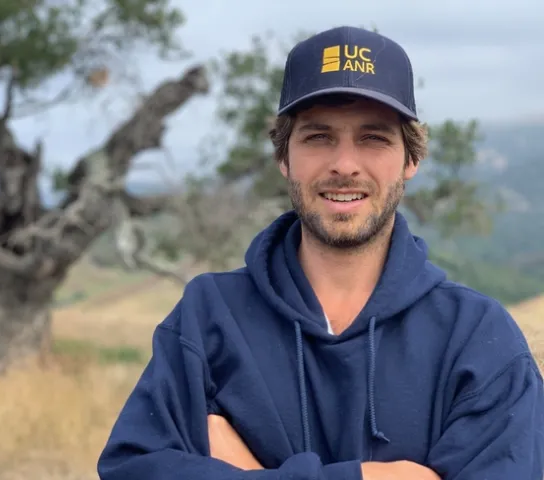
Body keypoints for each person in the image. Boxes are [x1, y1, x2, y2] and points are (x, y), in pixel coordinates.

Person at [97, 25, 544, 479]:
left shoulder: (477, 341)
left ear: (411, 159)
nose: (344, 164)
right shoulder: (209, 319)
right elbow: (132, 469)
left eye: (373, 138)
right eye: (318, 137)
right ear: (283, 156)